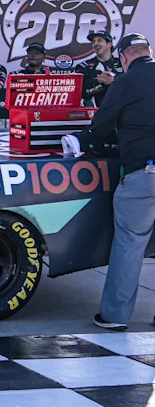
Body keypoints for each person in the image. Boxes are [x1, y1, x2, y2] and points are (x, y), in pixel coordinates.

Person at [62, 33, 155, 330]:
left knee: (130, 243)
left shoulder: (124, 81)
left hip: (144, 174)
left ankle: (115, 317)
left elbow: (100, 127)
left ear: (124, 58)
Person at [76, 30, 123, 106]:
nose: (95, 44)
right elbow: (80, 93)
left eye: (99, 40)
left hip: (121, 111)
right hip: (96, 113)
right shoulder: (84, 66)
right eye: (93, 41)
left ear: (109, 44)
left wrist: (115, 80)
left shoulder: (123, 63)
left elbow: (133, 83)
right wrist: (99, 83)